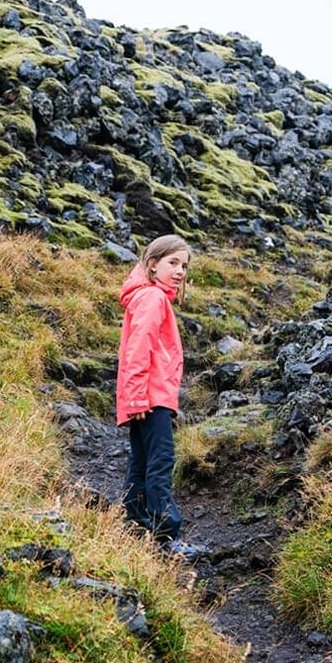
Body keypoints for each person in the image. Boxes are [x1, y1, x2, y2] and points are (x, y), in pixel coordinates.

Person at [116, 234, 204, 560]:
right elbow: (138, 350)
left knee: (141, 463)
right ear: (152, 264)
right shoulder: (153, 299)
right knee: (161, 463)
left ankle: (138, 527)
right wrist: (140, 397)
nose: (180, 271)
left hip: (148, 398)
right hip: (151, 399)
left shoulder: (148, 296)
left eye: (184, 265)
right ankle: (167, 536)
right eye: (173, 263)